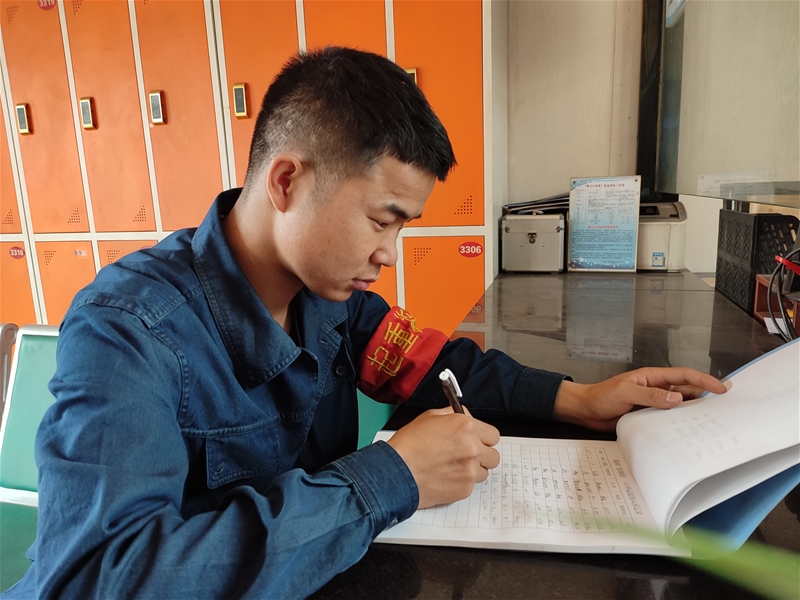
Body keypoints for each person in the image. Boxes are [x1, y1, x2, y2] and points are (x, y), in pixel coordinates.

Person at [6, 47, 726, 599]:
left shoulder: (331, 297)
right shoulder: (129, 330)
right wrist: (388, 477)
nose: (388, 254)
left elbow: (432, 367)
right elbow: (99, 578)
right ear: (287, 181)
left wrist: (581, 399)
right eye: (383, 221)